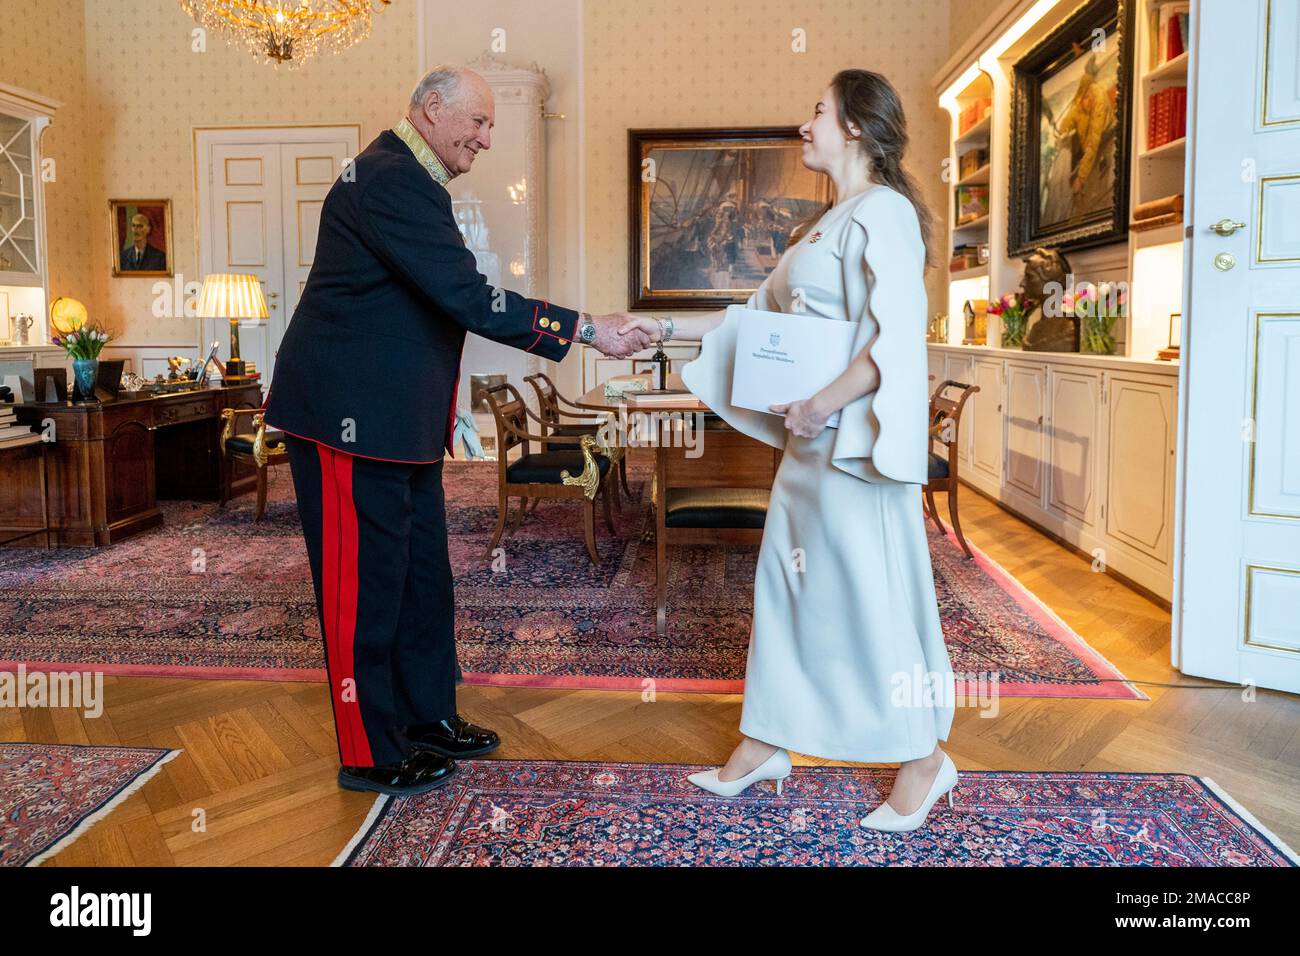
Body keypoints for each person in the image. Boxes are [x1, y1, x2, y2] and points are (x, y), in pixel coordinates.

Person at [263, 65, 650, 797]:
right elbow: (467, 296)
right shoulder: (389, 177)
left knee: (419, 578)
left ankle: (427, 716)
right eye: (477, 121)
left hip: (395, 424)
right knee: (364, 590)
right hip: (348, 423)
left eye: (492, 125)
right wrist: (590, 329)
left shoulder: (408, 179)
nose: (486, 138)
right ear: (431, 109)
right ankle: (370, 749)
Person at [621, 69, 958, 832]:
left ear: (857, 129)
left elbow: (892, 339)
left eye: (818, 112)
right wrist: (660, 331)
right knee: (785, 590)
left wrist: (819, 405)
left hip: (851, 450)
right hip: (809, 449)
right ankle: (765, 742)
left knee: (871, 601)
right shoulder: (824, 223)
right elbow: (753, 318)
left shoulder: (888, 214)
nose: (805, 125)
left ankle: (923, 760)